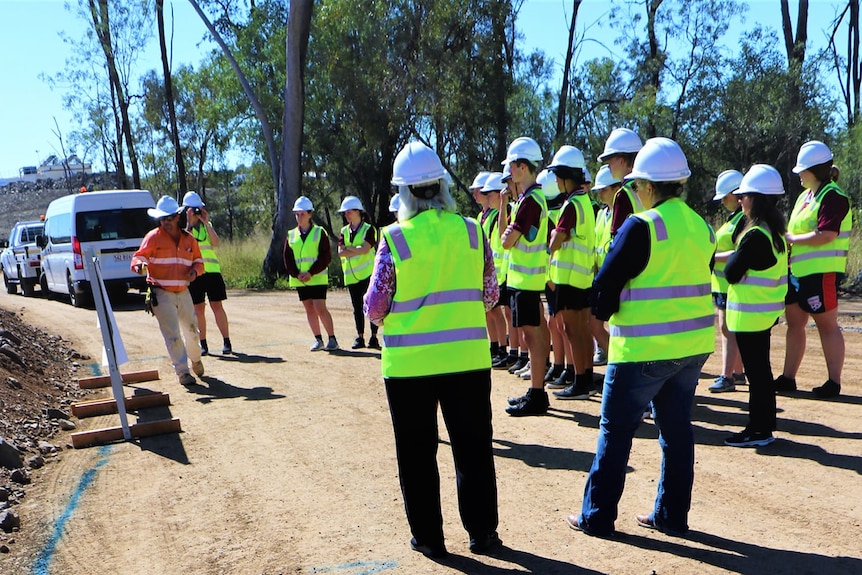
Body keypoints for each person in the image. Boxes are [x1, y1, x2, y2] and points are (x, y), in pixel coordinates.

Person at [568, 137, 715, 538]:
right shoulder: (702, 227)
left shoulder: (641, 225)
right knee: (677, 432)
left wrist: (603, 314)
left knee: (615, 432)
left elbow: (602, 291)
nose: (633, 192)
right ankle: (671, 515)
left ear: (649, 187)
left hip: (642, 349)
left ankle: (596, 516)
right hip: (692, 349)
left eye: (636, 186)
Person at [363, 141, 501, 558]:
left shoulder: (394, 239)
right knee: (474, 448)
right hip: (468, 362)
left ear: (403, 194)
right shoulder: (474, 231)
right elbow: (491, 296)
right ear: (442, 186)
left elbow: (374, 307)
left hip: (409, 368)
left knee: (417, 454)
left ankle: (429, 538)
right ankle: (483, 534)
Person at [778, 140, 852, 398]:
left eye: (802, 170)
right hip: (798, 272)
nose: (798, 174)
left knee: (827, 325)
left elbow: (827, 234)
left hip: (822, 273)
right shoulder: (804, 196)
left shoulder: (833, 196)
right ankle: (788, 378)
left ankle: (834, 382)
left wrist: (791, 240)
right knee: (794, 324)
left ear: (815, 170)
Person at [724, 165, 788, 447]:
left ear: (757, 199)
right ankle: (763, 427)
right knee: (761, 372)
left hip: (751, 316)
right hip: (764, 313)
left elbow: (731, 272)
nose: (740, 200)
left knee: (757, 374)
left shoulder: (755, 235)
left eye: (744, 196)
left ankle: (759, 430)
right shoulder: (773, 232)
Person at [499, 137, 552, 417]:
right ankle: (536, 391)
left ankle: (537, 393)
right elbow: (504, 236)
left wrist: (510, 235)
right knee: (535, 333)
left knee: (532, 336)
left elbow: (508, 241)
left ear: (521, 167)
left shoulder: (531, 201)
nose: (509, 172)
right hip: (525, 281)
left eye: (511, 166)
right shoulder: (527, 200)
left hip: (526, 282)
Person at [131, 195, 205, 386]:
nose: (166, 222)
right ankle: (183, 373)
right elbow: (139, 257)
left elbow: (199, 261)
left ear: (177, 217)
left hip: (183, 291)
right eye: (162, 219)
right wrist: (140, 266)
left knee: (192, 331)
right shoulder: (153, 238)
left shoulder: (189, 240)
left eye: (169, 218)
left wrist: (195, 271)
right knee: (172, 335)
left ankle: (196, 360)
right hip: (162, 292)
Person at [546, 146, 597, 400]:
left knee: (570, 329)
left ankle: (579, 382)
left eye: (558, 175)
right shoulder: (585, 201)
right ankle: (586, 376)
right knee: (582, 329)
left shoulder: (571, 204)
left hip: (568, 279)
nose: (556, 181)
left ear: (567, 176)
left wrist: (551, 243)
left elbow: (559, 237)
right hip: (583, 278)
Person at [283, 196, 339, 352]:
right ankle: (318, 339)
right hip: (300, 280)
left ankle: (332, 339)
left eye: (302, 214)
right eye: (297, 214)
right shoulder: (291, 235)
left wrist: (311, 272)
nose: (299, 217)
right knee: (309, 308)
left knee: (320, 308)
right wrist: (296, 274)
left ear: (310, 214)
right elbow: (287, 257)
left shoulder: (319, 232)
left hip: (317, 278)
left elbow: (325, 256)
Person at [708, 171, 747, 392]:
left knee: (727, 329)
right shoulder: (735, 218)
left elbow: (740, 251)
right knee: (727, 329)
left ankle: (727, 375)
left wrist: (712, 257)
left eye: (725, 196)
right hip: (723, 284)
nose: (723, 201)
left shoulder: (743, 219)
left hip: (731, 284)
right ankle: (737, 372)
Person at [182, 191, 232, 356]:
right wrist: (189, 223)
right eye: (193, 210)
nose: (196, 212)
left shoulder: (206, 226)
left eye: (198, 209)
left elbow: (216, 242)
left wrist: (206, 222)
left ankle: (227, 341)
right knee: (199, 309)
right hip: (195, 274)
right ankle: (203, 344)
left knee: (217, 306)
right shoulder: (184, 230)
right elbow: (184, 245)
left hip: (212, 272)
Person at [337, 195, 380, 349]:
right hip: (351, 276)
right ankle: (360, 336)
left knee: (371, 305)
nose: (347, 215)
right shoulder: (344, 231)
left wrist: (350, 249)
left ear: (358, 212)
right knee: (357, 308)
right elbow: (340, 252)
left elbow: (366, 249)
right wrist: (356, 250)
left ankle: (374, 337)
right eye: (345, 213)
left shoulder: (369, 229)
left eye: (349, 212)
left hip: (368, 274)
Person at [590, 164, 622, 368]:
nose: (600, 193)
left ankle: (616, 363)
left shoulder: (622, 211)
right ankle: (612, 359)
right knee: (595, 324)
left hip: (614, 277)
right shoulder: (602, 214)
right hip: (601, 276)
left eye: (604, 189)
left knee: (614, 325)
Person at [479, 172, 510, 366]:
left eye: (490, 194)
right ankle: (494, 347)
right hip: (491, 272)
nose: (487, 197)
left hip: (502, 272)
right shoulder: (488, 216)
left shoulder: (503, 214)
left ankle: (502, 349)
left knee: (498, 313)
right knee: (490, 312)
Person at [597, 128, 644, 236]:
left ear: (622, 161)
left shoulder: (623, 194)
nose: (608, 165)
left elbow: (618, 238)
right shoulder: (649, 187)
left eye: (610, 160)